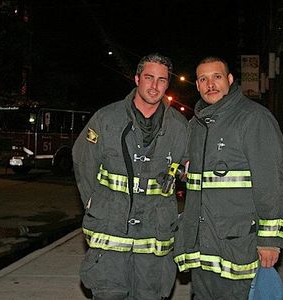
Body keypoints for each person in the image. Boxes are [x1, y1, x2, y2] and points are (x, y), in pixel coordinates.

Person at [174, 56, 283, 299]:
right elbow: (191, 171)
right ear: (197, 85)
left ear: (229, 80)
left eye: (217, 77)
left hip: (236, 245)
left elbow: (273, 182)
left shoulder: (253, 118)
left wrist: (270, 240)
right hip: (202, 247)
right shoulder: (196, 125)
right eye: (203, 79)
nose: (210, 84)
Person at [72, 53, 188, 300]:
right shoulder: (106, 118)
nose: (154, 86)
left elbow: (189, 166)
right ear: (137, 79)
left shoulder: (179, 127)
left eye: (161, 80)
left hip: (154, 236)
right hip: (110, 232)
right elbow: (83, 159)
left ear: (167, 84)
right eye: (149, 77)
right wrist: (93, 203)